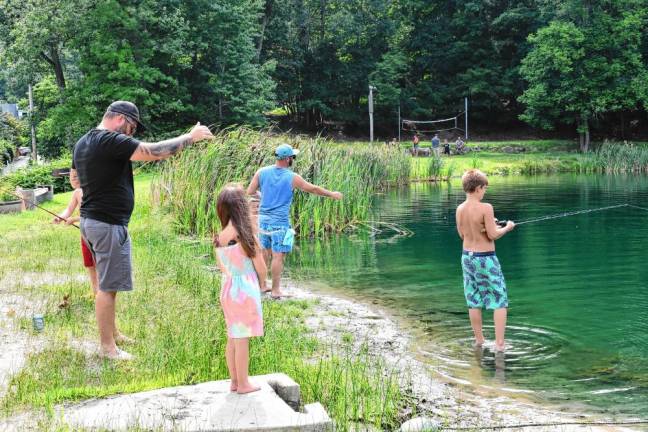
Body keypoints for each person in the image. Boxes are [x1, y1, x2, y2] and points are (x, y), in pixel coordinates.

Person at [71, 100, 214, 360]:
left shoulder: (84, 142)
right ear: (119, 119)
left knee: (106, 281)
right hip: (107, 223)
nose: (132, 132)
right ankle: (108, 348)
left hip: (92, 220)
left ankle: (113, 334)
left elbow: (74, 179)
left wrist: (98, 186)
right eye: (133, 126)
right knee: (108, 287)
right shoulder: (109, 140)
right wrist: (190, 138)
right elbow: (155, 151)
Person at [247, 144, 343, 299]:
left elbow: (250, 192)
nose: (293, 159)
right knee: (278, 256)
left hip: (263, 221)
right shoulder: (292, 177)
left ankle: (262, 285)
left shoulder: (262, 172)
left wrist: (263, 196)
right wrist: (332, 194)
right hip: (280, 223)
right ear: (287, 159)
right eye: (292, 157)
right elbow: (313, 189)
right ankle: (276, 290)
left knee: (264, 253)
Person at [213, 184, 266, 394]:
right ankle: (244, 383)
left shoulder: (219, 236)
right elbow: (260, 266)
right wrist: (263, 283)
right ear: (240, 208)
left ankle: (234, 381)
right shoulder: (245, 235)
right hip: (245, 290)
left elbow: (222, 267)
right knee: (242, 339)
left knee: (233, 336)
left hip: (228, 287)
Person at [455, 169, 515, 352]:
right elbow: (493, 235)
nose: (485, 192)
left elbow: (462, 234)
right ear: (478, 188)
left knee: (473, 298)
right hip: (485, 259)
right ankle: (499, 344)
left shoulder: (460, 209)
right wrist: (507, 228)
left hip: (467, 257)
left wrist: (489, 226)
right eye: (484, 188)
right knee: (500, 299)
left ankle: (479, 341)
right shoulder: (486, 208)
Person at [52, 187, 99, 297]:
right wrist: (60, 217)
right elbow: (69, 209)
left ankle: (103, 291)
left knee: (100, 263)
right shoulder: (77, 192)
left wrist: (74, 219)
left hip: (98, 233)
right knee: (90, 264)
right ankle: (95, 291)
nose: (74, 178)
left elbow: (94, 214)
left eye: (76, 175)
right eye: (72, 176)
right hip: (85, 235)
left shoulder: (95, 190)